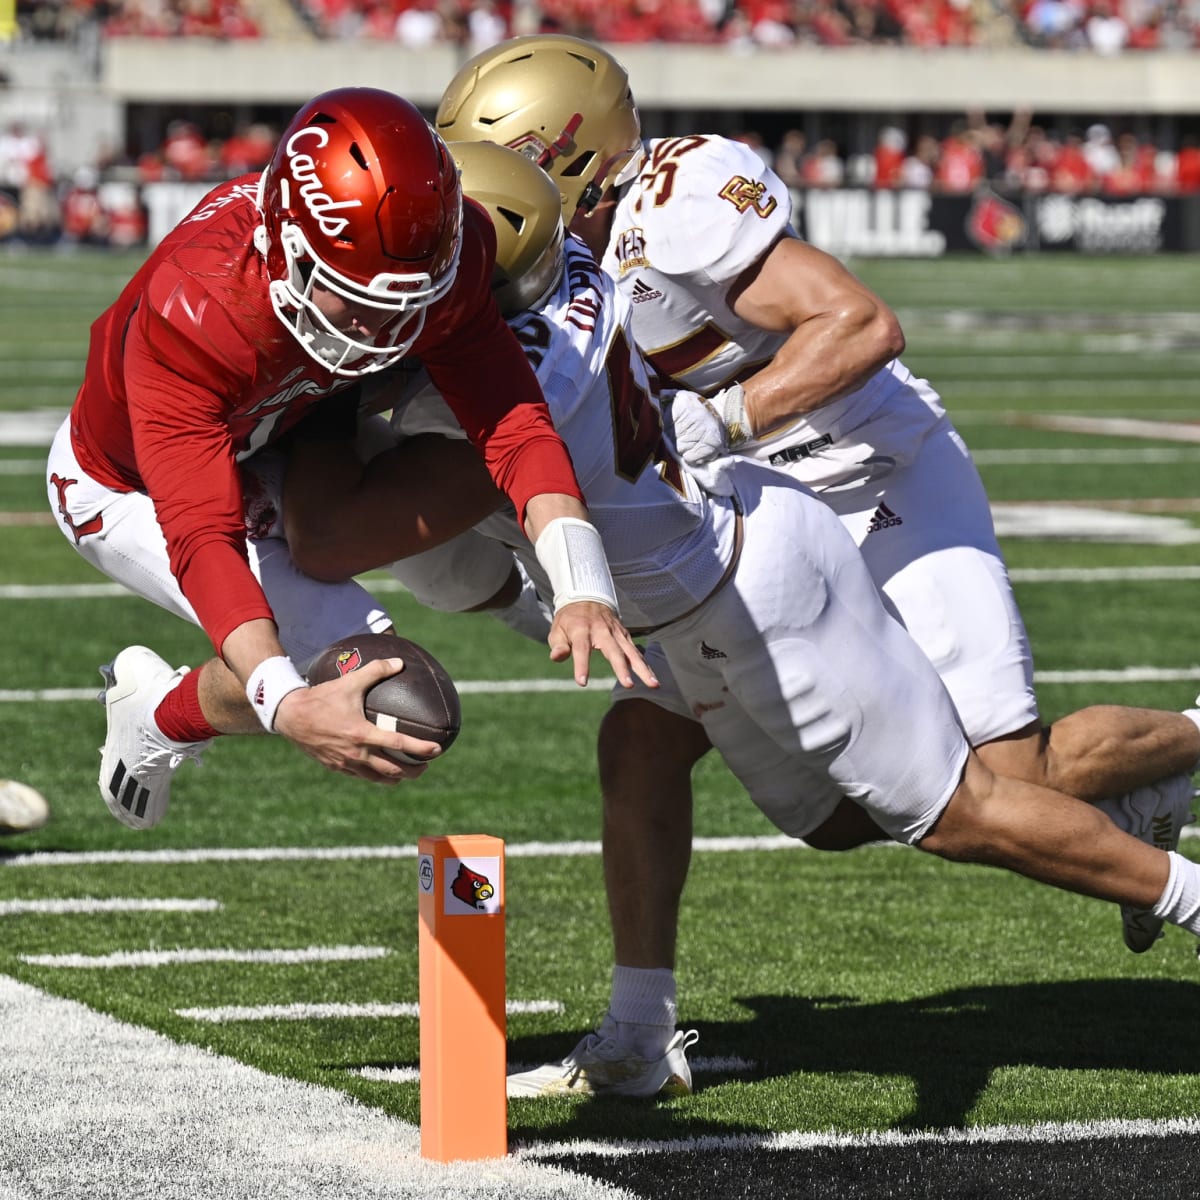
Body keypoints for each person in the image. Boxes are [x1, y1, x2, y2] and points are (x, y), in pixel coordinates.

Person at [277, 142, 1200, 1105]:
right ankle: (638, 1036)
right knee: (693, 765)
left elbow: (334, 535)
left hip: (754, 579)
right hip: (709, 572)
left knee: (969, 807)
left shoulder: (521, 385)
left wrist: (307, 412)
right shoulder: (573, 285)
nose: (383, 301)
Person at [45, 86, 654, 833]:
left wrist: (582, 584)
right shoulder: (198, 309)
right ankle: (173, 714)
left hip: (279, 435)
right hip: (123, 483)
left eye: (407, 301)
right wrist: (285, 705)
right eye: (352, 298)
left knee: (385, 677)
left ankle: (167, 713)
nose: (384, 327)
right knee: (368, 681)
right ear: (287, 247)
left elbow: (512, 422)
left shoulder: (445, 251)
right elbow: (203, 537)